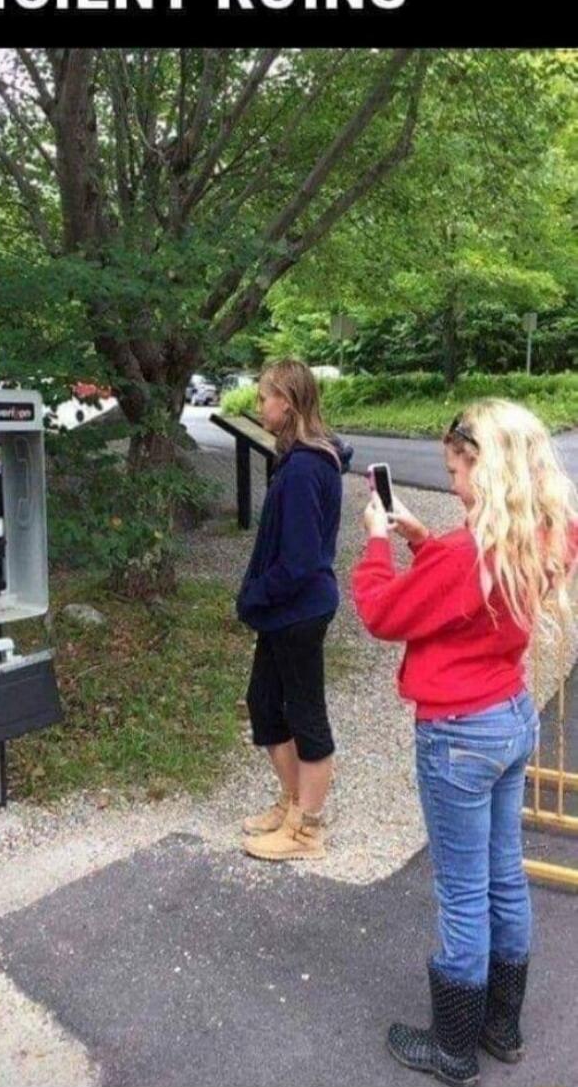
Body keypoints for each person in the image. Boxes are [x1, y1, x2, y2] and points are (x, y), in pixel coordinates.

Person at [352, 399, 577, 1086]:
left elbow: (382, 612)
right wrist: (425, 539)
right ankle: (501, 1026)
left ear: (489, 464)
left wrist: (378, 541)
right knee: (504, 874)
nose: (450, 482)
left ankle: (452, 1048)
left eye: (456, 468)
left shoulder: (463, 553)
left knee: (461, 891)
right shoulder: (549, 531)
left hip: (457, 732)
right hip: (511, 714)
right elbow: (469, 599)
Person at [236, 359, 352, 861]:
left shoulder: (305, 468)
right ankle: (291, 803)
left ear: (287, 401)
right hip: (284, 611)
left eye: (264, 397)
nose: (259, 405)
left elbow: (302, 561)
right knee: (264, 704)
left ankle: (308, 830)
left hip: (298, 611)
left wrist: (254, 595)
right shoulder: (297, 459)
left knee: (305, 715)